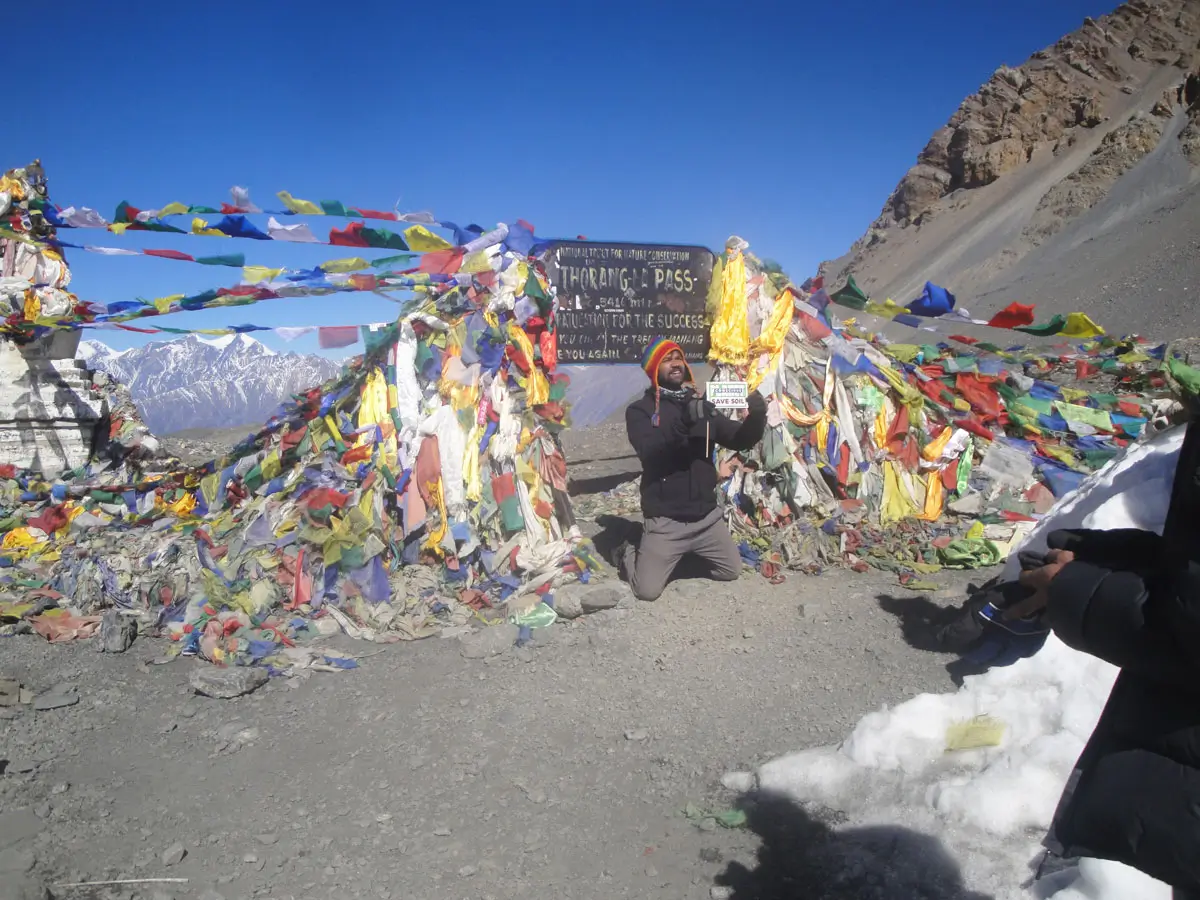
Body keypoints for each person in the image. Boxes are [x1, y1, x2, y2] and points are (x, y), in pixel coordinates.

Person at [617, 336, 767, 601]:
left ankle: (679, 557)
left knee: (730, 571)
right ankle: (629, 548)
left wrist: (757, 416)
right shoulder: (639, 411)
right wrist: (686, 421)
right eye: (666, 360)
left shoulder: (700, 404)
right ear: (653, 369)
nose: (675, 364)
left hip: (706, 519)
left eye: (678, 358)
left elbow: (739, 438)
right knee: (647, 591)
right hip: (666, 520)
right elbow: (649, 450)